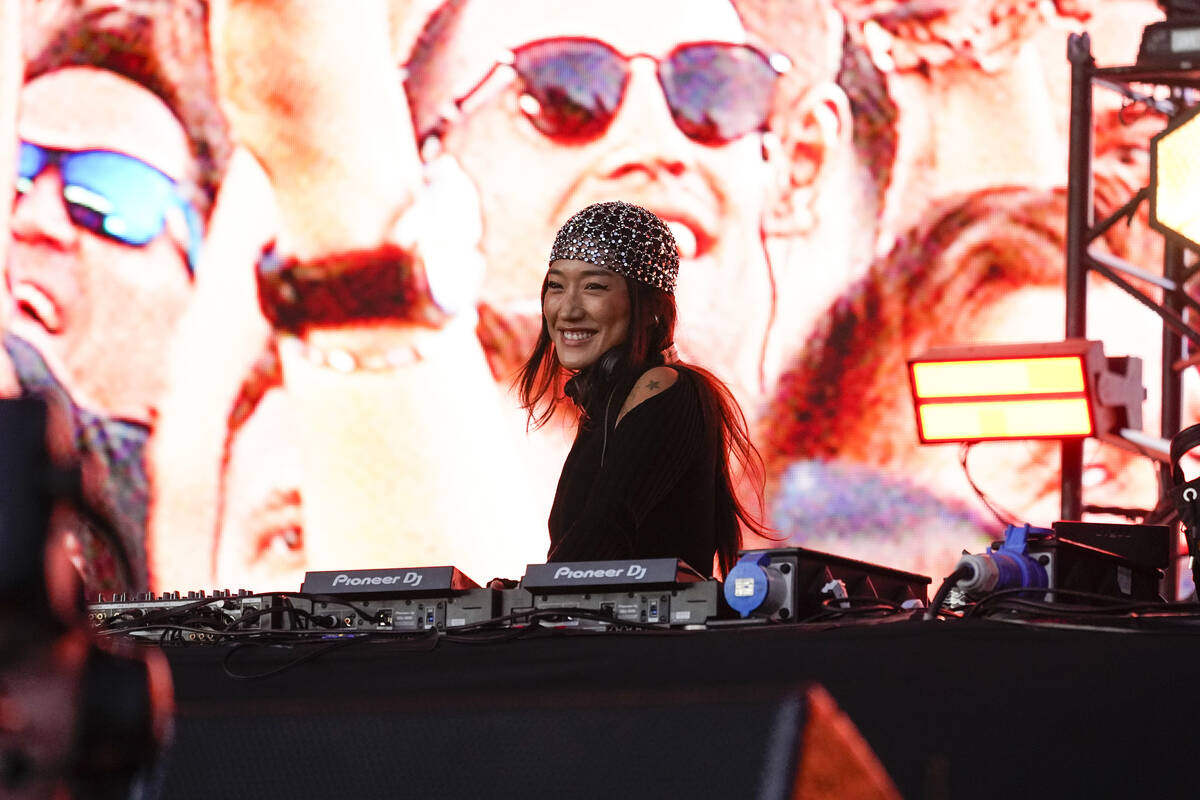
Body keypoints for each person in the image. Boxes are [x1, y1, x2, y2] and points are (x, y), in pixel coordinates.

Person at [517, 201, 766, 575]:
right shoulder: (606, 406)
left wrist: (524, 605)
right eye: (556, 286)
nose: (567, 310)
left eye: (594, 287)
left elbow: (605, 529)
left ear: (651, 309)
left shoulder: (664, 386)